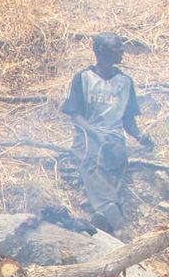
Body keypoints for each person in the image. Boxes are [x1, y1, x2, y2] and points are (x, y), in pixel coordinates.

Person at [61, 32, 154, 233]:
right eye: (117, 47)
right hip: (87, 134)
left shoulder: (125, 81)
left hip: (113, 135)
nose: (122, 51)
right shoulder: (83, 78)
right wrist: (94, 132)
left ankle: (104, 213)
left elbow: (128, 120)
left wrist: (139, 136)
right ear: (102, 51)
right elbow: (75, 115)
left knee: (118, 160)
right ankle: (111, 210)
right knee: (90, 161)